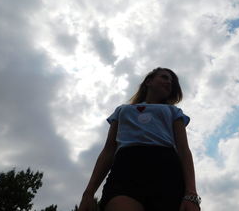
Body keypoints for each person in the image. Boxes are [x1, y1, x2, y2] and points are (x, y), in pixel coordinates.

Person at [78, 67, 201, 211]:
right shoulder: (122, 110)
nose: (169, 83)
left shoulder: (174, 111)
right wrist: (89, 193)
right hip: (126, 170)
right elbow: (108, 150)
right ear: (149, 81)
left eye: (172, 82)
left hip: (167, 173)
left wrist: (191, 193)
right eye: (164, 77)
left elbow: (184, 151)